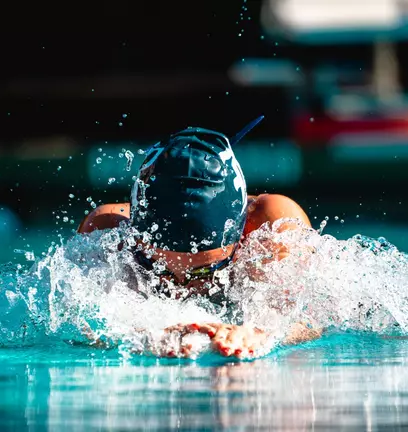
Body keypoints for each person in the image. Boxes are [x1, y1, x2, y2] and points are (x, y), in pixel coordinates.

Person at [77, 117, 322, 358]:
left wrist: (262, 333)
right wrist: (140, 336)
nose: (181, 288)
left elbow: (312, 320)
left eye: (204, 272)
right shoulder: (107, 232)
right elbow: (81, 324)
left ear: (242, 236)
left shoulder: (272, 227)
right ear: (133, 235)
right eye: (156, 267)